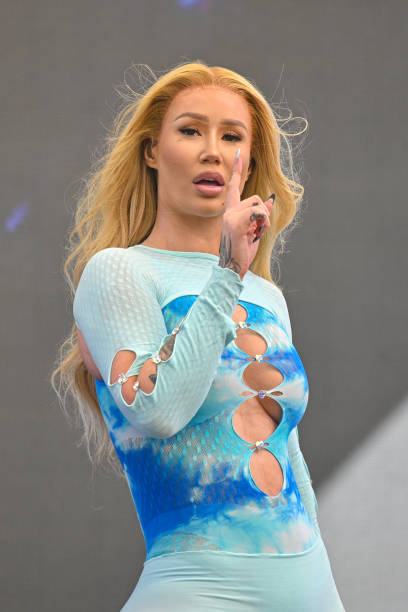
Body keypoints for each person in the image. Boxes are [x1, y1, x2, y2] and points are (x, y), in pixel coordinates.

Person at [52, 61, 345, 610]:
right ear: (151, 150)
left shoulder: (266, 296)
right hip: (196, 589)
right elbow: (158, 412)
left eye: (231, 137)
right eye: (190, 131)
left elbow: (289, 455)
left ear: (248, 161)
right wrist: (227, 271)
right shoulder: (119, 272)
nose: (212, 151)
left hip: (308, 589)